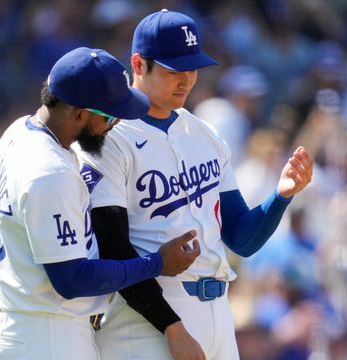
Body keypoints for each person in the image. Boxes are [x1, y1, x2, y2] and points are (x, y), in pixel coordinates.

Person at [78, 10, 314, 360]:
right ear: (139, 64)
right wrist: (172, 326)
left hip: (218, 310)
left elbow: (241, 239)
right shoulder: (109, 137)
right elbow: (115, 249)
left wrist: (280, 197)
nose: (187, 79)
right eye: (175, 69)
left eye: (192, 68)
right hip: (148, 318)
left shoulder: (206, 134)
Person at [0, 47, 201, 359]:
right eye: (110, 115)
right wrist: (157, 263)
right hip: (49, 338)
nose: (115, 124)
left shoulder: (19, 132)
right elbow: (72, 280)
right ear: (79, 113)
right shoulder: (50, 171)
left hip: (34, 328)